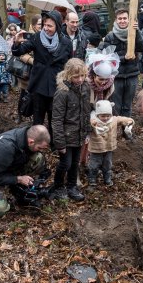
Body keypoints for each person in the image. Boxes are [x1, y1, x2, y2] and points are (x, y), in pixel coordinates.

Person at [0, 125, 52, 216]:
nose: (41, 150)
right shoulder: (6, 148)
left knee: (38, 158)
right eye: (39, 148)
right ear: (31, 142)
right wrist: (18, 179)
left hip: (8, 166)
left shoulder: (26, 135)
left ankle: (16, 190)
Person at [11, 10, 72, 130]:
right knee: (38, 118)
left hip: (57, 85)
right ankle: (36, 144)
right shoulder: (37, 38)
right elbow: (19, 51)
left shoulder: (66, 42)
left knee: (54, 118)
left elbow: (69, 64)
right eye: (44, 25)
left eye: (50, 26)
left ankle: (54, 144)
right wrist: (16, 43)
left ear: (58, 26)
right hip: (39, 84)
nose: (46, 28)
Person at [51, 59, 92, 201]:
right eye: (76, 77)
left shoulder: (85, 87)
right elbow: (56, 119)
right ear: (68, 75)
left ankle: (72, 186)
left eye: (82, 76)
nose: (79, 79)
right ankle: (58, 186)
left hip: (80, 133)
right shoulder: (62, 92)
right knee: (65, 163)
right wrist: (60, 143)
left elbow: (86, 111)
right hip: (66, 135)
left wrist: (87, 131)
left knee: (75, 163)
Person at [99, 8, 143, 116]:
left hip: (131, 75)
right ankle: (116, 130)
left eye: (125, 18)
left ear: (129, 20)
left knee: (127, 106)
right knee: (116, 106)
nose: (122, 21)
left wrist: (137, 32)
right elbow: (106, 57)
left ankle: (126, 130)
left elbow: (142, 47)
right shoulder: (110, 36)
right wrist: (124, 57)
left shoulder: (134, 33)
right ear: (116, 20)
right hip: (116, 77)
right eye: (120, 18)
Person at [87, 100, 134, 186]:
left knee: (107, 165)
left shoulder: (113, 120)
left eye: (108, 115)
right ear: (98, 115)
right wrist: (92, 123)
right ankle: (92, 178)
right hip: (96, 149)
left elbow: (122, 119)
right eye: (103, 116)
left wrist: (129, 121)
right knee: (94, 164)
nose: (105, 118)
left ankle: (107, 178)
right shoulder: (95, 122)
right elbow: (89, 124)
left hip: (109, 148)